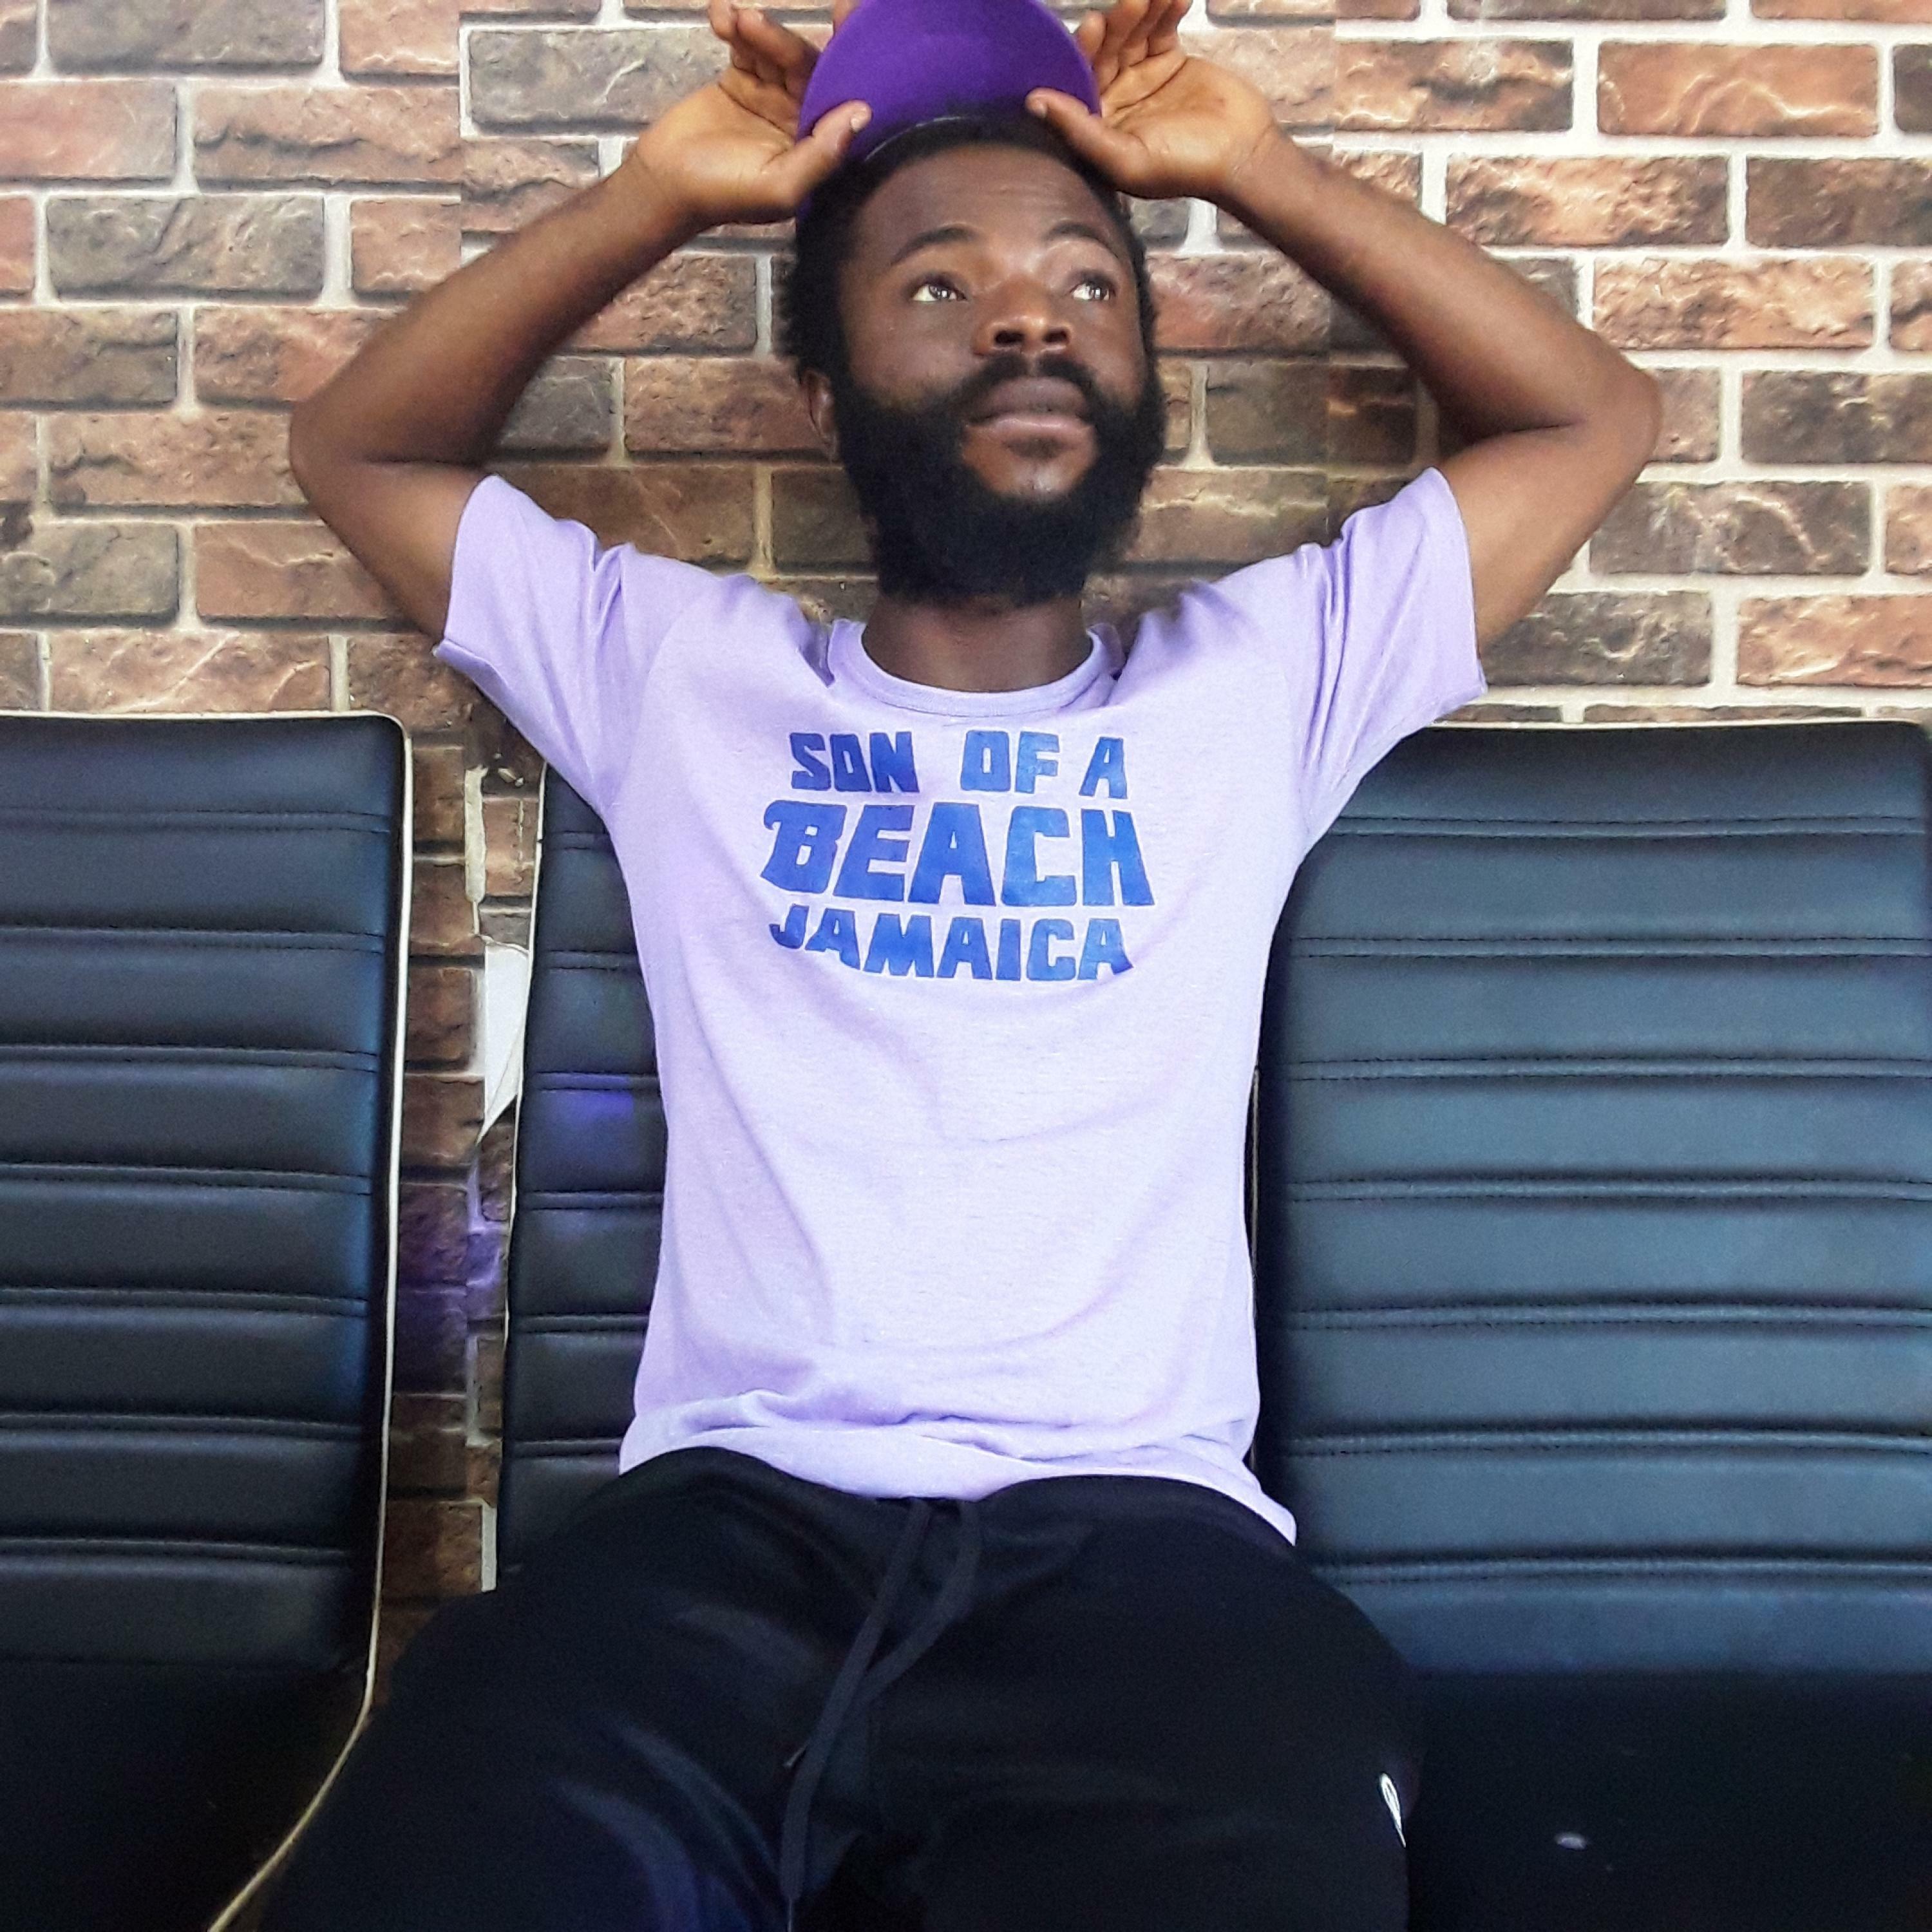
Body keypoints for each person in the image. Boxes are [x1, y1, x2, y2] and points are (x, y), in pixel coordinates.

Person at [267, 0, 1660, 1924]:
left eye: (1088, 285)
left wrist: (1255, 167)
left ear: (1144, 375)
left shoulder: (1266, 682)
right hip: (718, 1548)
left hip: (1146, 1562)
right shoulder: (674, 675)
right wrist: (655, 198)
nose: (1027, 321)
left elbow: (1593, 420)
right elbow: (355, 448)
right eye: (940, 285)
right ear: (821, 390)